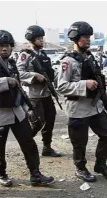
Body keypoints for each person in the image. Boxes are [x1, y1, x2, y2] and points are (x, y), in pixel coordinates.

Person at [0, 29, 54, 187]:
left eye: (7, 45)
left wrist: (26, 103)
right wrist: (5, 82)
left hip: (17, 111)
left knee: (29, 143)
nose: (5, 49)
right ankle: (1, 173)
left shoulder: (12, 63)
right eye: (1, 46)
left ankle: (35, 174)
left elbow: (20, 85)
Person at [56, 21, 107, 182]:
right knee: (80, 142)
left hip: (95, 106)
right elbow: (61, 86)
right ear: (75, 38)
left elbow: (98, 77)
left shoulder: (90, 56)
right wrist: (84, 84)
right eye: (84, 36)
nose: (88, 39)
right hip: (78, 109)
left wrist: (106, 95)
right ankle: (80, 168)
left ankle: (101, 163)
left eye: (89, 36)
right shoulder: (67, 61)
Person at [16, 25, 61, 157]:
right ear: (32, 39)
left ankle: (47, 147)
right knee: (37, 122)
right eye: (39, 38)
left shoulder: (43, 54)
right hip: (33, 95)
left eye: (42, 38)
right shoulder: (25, 55)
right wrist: (35, 76)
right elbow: (19, 73)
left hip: (46, 93)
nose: (42, 40)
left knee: (50, 120)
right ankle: (26, 144)